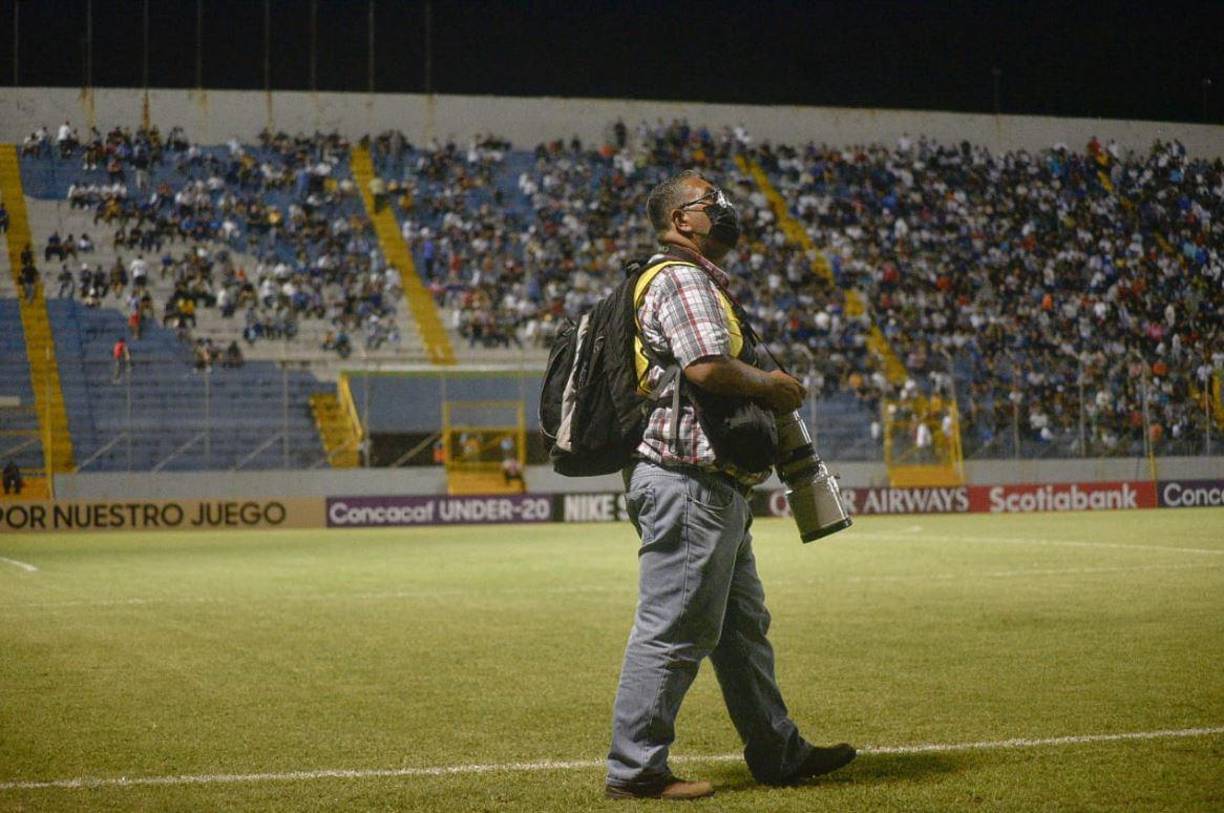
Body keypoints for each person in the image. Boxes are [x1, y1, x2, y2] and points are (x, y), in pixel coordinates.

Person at [604, 171, 855, 801]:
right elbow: (707, 367)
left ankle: (778, 751)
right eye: (710, 201)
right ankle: (635, 769)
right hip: (689, 479)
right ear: (681, 220)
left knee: (742, 630)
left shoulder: (681, 277)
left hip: (710, 484)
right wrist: (774, 385)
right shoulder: (682, 278)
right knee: (674, 627)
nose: (725, 208)